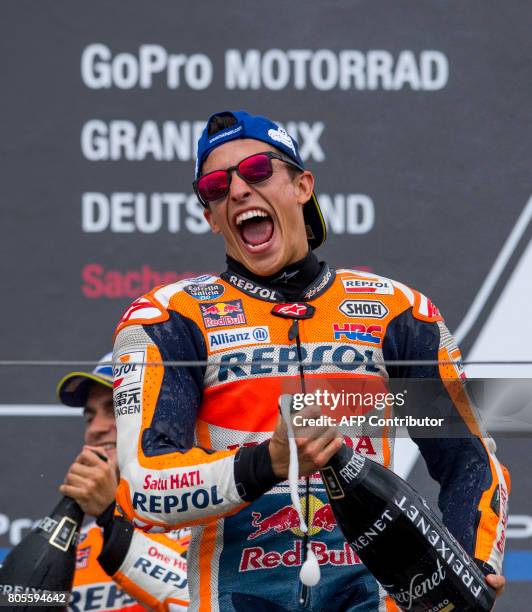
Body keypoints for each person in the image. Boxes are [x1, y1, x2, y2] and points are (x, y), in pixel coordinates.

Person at [112, 111, 509, 611]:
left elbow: (468, 457)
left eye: (257, 170)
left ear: (302, 186)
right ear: (211, 217)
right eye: (215, 186)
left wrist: (472, 562)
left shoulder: (396, 313)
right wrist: (269, 462)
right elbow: (144, 485)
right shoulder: (170, 319)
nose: (237, 191)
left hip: (374, 592)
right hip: (234, 593)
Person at [57, 353, 189, 611]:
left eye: (114, 409)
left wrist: (111, 515)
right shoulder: (78, 546)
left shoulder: (214, 527)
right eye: (89, 416)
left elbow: (200, 603)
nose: (95, 428)